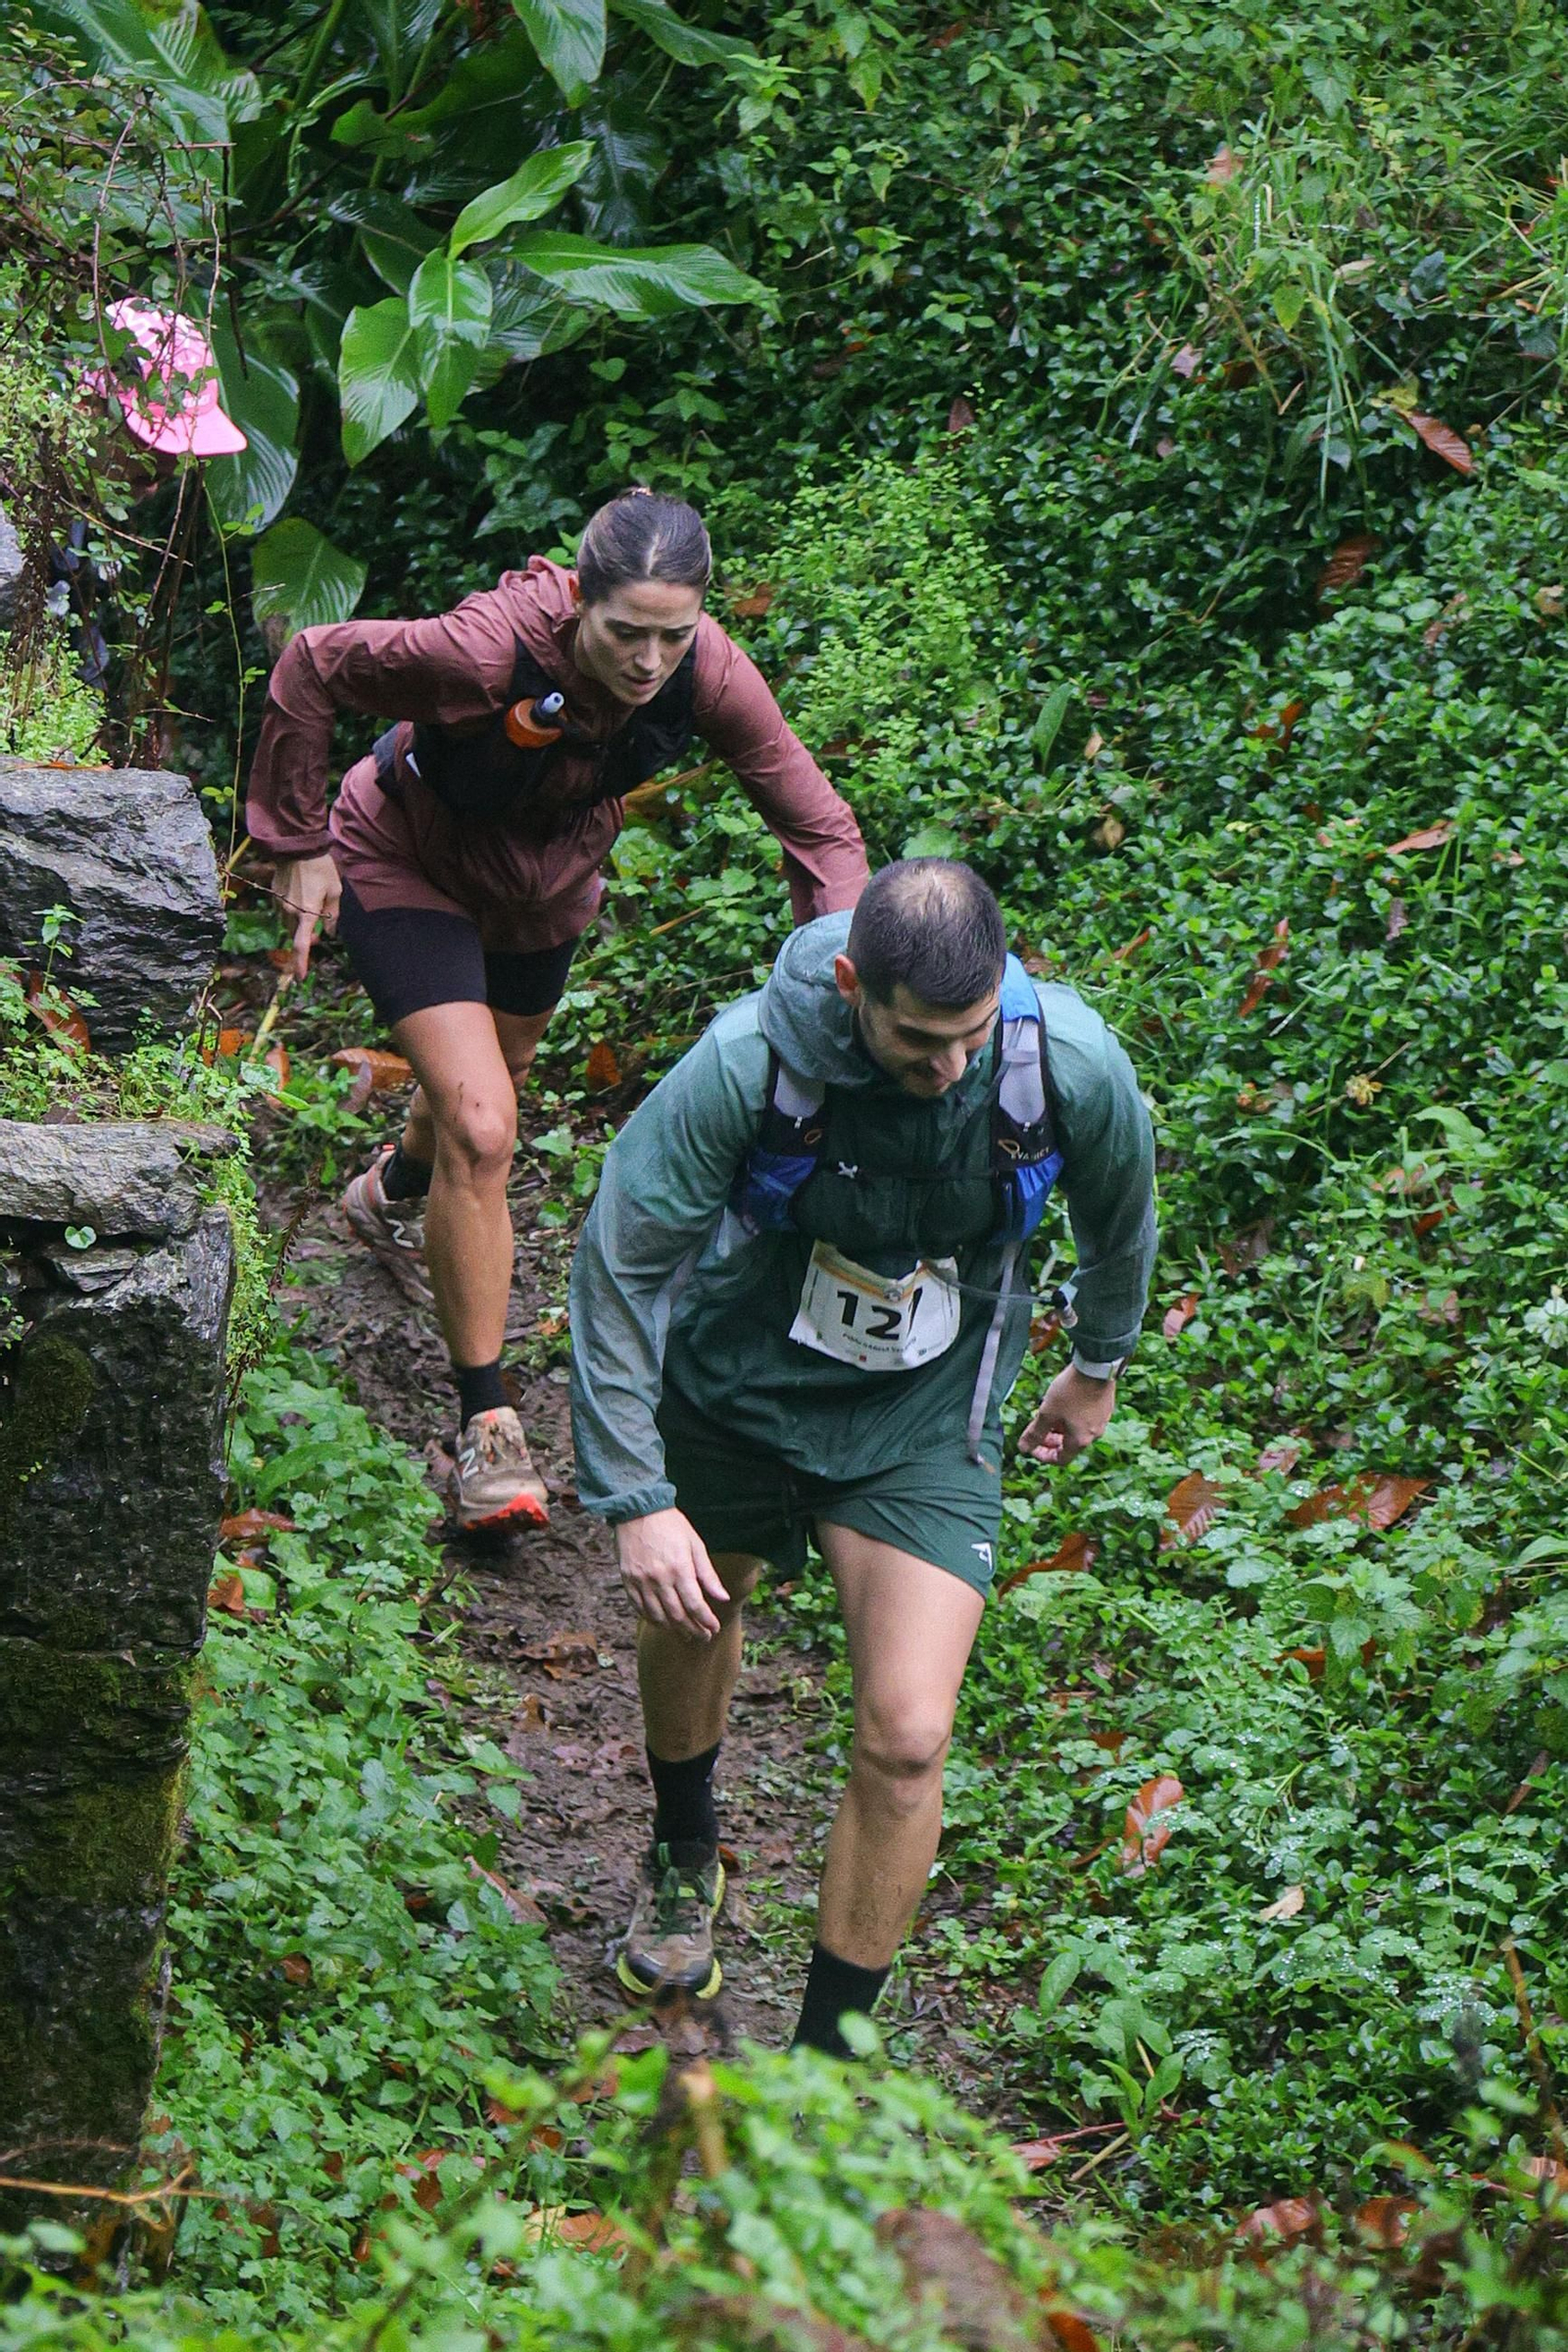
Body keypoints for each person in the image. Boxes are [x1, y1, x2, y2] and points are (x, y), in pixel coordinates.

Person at [568, 858, 1156, 2052]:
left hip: (922, 1419)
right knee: (695, 1610)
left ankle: (828, 2062)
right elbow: (618, 1264)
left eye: (969, 1034)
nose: (946, 1066)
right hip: (734, 1385)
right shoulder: (747, 1064)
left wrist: (1095, 1364)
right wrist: (636, 1496)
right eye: (915, 1038)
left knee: (906, 1735)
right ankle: (684, 1847)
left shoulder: (1067, 1067)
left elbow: (1120, 1213)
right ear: (850, 985)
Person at [245, 490, 868, 1533]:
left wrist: (851, 981)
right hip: (409, 863)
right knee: (485, 1128)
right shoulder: (482, 651)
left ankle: (390, 1191)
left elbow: (815, 825)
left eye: (673, 635)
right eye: (626, 632)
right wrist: (295, 838)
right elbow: (313, 662)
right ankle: (486, 1432)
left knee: (489, 1088)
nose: (648, 661)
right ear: (580, 595)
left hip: (544, 889)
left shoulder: (706, 669)